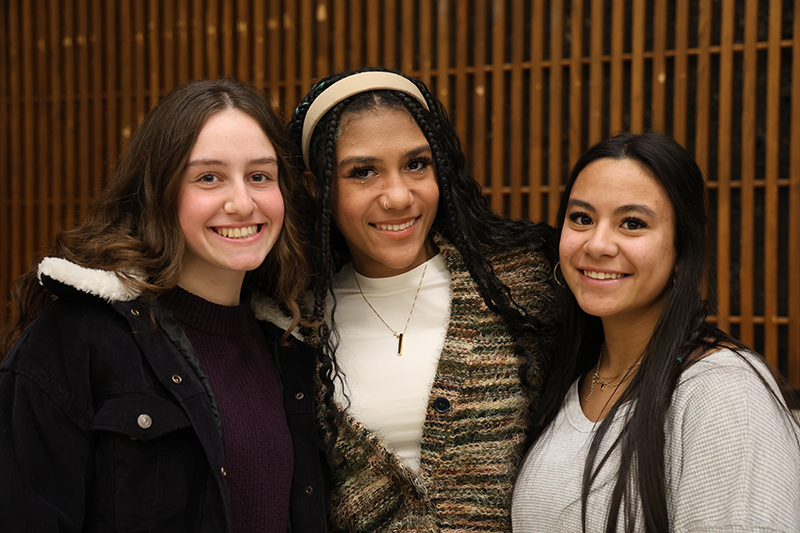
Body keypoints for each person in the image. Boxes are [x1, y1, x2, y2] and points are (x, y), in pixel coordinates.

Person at [0, 79, 328, 532]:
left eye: (260, 176)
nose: (242, 202)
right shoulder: (75, 342)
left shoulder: (293, 344)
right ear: (160, 191)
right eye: (208, 177)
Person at [283, 67, 557, 532]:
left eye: (416, 164)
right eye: (363, 172)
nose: (398, 196)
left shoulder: (518, 286)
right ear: (317, 189)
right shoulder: (294, 325)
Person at [512, 132, 800, 532]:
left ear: (682, 250)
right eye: (582, 218)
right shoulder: (568, 377)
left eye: (632, 223)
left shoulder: (724, 393)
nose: (597, 244)